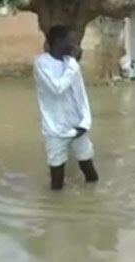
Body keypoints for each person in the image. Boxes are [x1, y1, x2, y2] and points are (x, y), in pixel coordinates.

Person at [33, 25, 99, 190]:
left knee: (90, 172)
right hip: (55, 129)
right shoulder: (42, 63)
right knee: (57, 179)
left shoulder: (70, 63)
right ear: (57, 41)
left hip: (78, 126)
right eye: (71, 41)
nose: (75, 46)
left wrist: (85, 123)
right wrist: (73, 65)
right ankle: (56, 210)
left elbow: (81, 96)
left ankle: (93, 202)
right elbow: (57, 88)